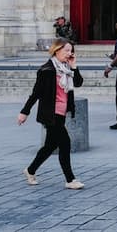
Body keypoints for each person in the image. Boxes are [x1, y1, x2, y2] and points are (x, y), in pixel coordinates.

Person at [17, 38, 85, 190]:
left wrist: (74, 66)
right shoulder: (46, 70)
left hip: (61, 113)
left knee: (49, 146)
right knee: (65, 143)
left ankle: (30, 170)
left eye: (71, 50)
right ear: (56, 50)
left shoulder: (67, 68)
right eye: (66, 50)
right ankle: (70, 179)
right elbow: (36, 93)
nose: (69, 53)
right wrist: (24, 112)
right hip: (50, 114)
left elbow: (79, 82)